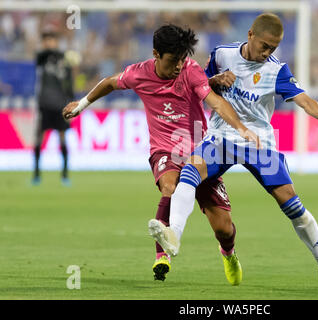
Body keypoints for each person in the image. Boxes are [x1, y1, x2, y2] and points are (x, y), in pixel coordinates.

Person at [149, 14, 318, 277]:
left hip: (259, 143)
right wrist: (217, 79)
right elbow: (200, 86)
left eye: (273, 48)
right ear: (251, 34)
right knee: (189, 172)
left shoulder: (277, 70)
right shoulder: (222, 55)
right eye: (264, 46)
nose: (267, 53)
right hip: (221, 137)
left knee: (290, 203)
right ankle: (173, 236)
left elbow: (304, 100)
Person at [62, 24, 260, 284]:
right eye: (172, 61)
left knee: (223, 227)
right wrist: (83, 103)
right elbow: (110, 82)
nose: (178, 66)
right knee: (170, 185)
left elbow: (215, 101)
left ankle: (228, 253)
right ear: (156, 54)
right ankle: (162, 255)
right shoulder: (139, 74)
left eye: (181, 59)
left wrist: (242, 129)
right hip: (165, 149)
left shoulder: (191, 71)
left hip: (201, 153)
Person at [33, 31, 74, 186]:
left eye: (51, 40)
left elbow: (69, 84)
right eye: (46, 41)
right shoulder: (42, 58)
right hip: (45, 104)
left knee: (63, 138)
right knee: (39, 137)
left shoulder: (64, 60)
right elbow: (39, 57)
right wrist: (50, 49)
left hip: (60, 105)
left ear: (56, 41)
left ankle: (65, 174)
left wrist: (72, 104)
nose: (48, 43)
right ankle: (36, 174)